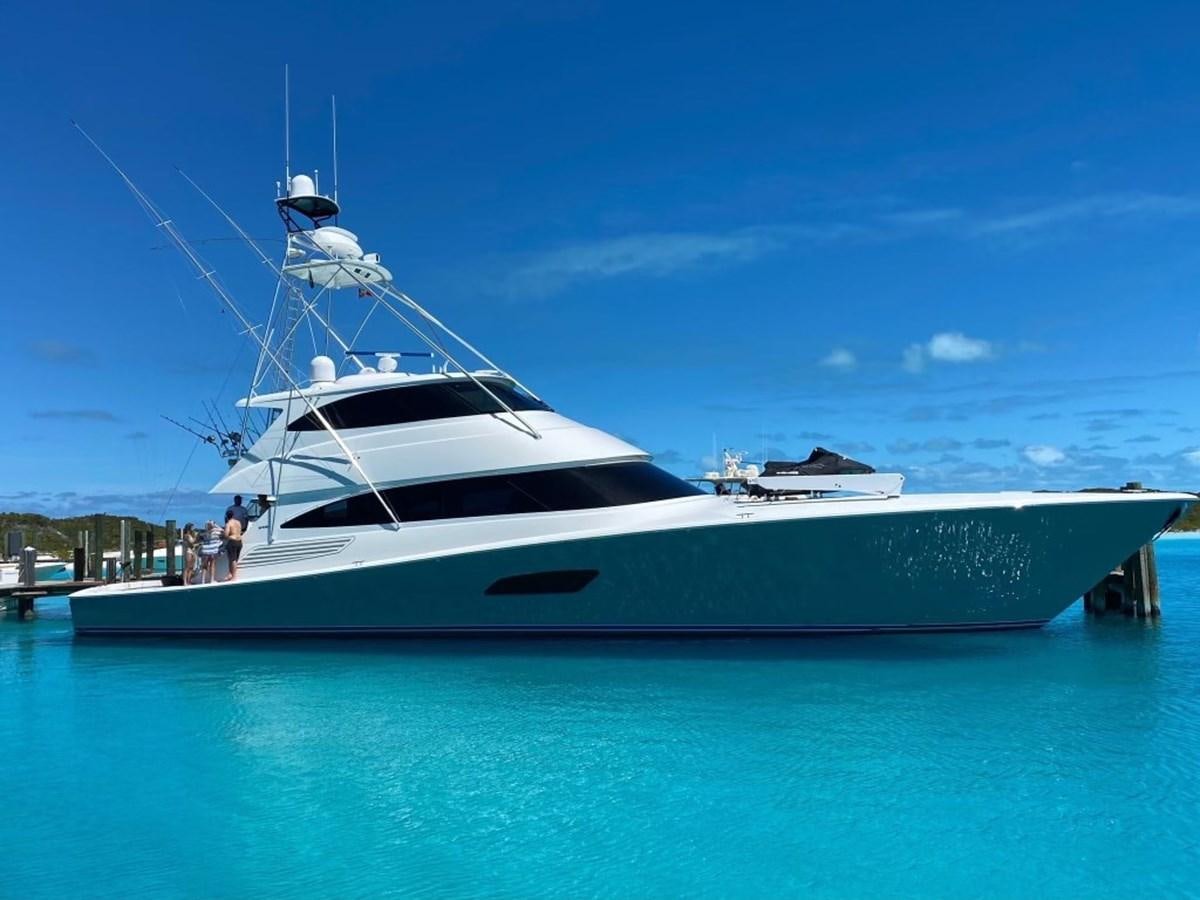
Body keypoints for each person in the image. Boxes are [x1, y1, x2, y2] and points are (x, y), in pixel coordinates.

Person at [200, 519, 223, 584]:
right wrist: (216, 525)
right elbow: (223, 531)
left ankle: (202, 580)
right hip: (213, 551)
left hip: (205, 551)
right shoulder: (217, 531)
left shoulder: (205, 533)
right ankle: (211, 580)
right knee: (212, 565)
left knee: (205, 566)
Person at [223, 512, 243, 582]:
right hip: (239, 541)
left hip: (233, 541)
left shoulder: (228, 524)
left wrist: (226, 536)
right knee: (235, 559)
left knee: (232, 559)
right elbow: (240, 531)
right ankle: (230, 574)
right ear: (233, 515)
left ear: (226, 516)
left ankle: (234, 576)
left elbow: (226, 535)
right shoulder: (238, 522)